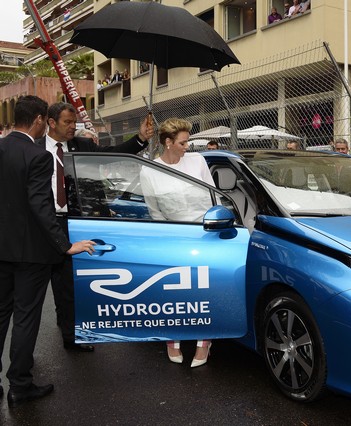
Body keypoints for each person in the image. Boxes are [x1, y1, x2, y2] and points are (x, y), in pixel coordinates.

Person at [0, 95, 95, 406]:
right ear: (40, 120)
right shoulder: (36, 156)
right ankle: (20, 385)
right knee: (26, 319)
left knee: (1, 316)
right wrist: (65, 245)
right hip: (32, 254)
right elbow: (42, 207)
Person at [36, 102, 153, 353]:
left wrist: (140, 139)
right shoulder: (35, 149)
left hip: (72, 221)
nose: (73, 127)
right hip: (41, 223)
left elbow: (114, 152)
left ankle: (71, 335)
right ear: (51, 122)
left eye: (74, 122)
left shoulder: (83, 146)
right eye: (67, 122)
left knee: (68, 280)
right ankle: (30, 347)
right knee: (36, 285)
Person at [140, 118, 214, 367]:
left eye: (188, 141)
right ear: (168, 143)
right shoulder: (150, 170)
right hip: (172, 236)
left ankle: (205, 341)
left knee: (203, 290)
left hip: (205, 234)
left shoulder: (198, 161)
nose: (187, 147)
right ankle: (174, 337)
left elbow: (214, 197)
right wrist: (167, 241)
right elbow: (155, 212)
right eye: (183, 142)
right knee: (176, 291)